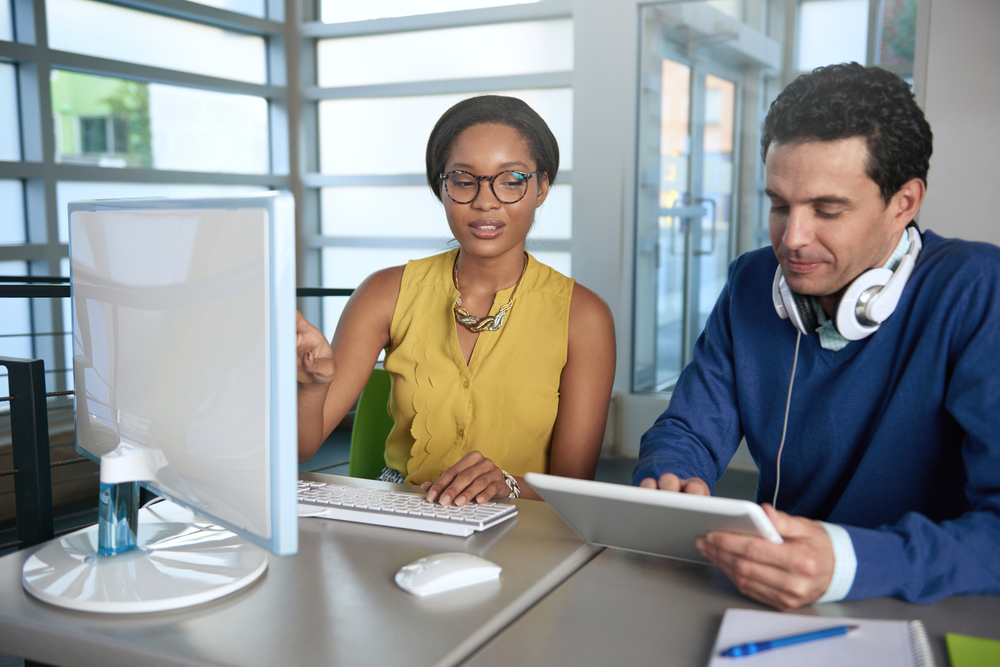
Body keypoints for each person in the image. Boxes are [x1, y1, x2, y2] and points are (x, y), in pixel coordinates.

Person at [634, 63, 1000, 610]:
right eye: (779, 205)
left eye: (827, 210)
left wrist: (850, 561)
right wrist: (671, 478)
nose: (792, 238)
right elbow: (688, 428)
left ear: (903, 203)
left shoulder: (975, 288)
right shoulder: (751, 283)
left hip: (926, 602)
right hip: (770, 596)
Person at [297, 95, 616, 507]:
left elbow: (577, 492)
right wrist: (311, 388)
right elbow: (303, 449)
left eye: (511, 179)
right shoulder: (384, 292)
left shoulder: (584, 316)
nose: (486, 200)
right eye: (464, 180)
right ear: (442, 189)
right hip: (404, 516)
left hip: (524, 528)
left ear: (541, 188)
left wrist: (508, 485)